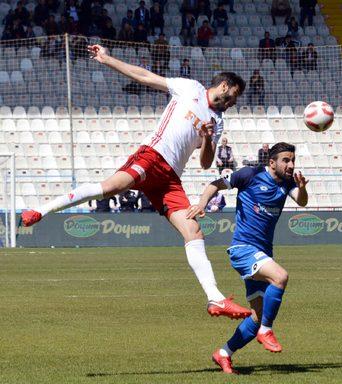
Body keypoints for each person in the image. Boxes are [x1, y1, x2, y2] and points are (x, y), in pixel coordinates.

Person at [20, 44, 251, 320]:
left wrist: (207, 137)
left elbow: (204, 162)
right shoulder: (190, 88)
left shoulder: (218, 121)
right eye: (234, 96)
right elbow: (144, 76)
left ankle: (215, 299)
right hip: (152, 156)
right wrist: (106, 59)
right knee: (110, 188)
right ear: (224, 86)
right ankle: (40, 211)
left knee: (194, 232)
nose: (233, 103)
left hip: (170, 178)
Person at [186, 142, 309, 374]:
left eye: (293, 160)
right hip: (243, 249)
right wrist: (202, 204)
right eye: (286, 160)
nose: (291, 165)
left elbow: (302, 201)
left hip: (263, 253)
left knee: (256, 316)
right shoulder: (249, 174)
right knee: (280, 277)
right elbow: (215, 184)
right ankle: (267, 329)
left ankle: (223, 353)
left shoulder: (288, 183)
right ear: (272, 162)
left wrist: (301, 188)